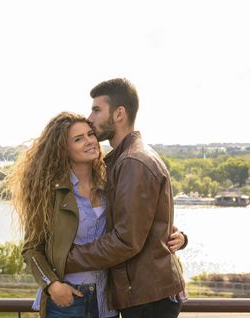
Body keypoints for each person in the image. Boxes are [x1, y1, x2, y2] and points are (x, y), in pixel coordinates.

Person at [6, 111, 185, 318]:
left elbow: (138, 222)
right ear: (63, 148)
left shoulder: (110, 183)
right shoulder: (50, 192)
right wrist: (52, 285)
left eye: (90, 134)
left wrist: (179, 236)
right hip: (69, 298)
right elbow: (32, 249)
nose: (90, 141)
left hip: (107, 301)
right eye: (78, 139)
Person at [64, 78, 188, 318]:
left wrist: (66, 259)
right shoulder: (121, 160)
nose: (90, 117)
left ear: (119, 113)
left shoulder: (133, 162)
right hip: (143, 293)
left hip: (148, 297)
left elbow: (126, 240)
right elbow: (145, 222)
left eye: (97, 110)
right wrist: (178, 236)